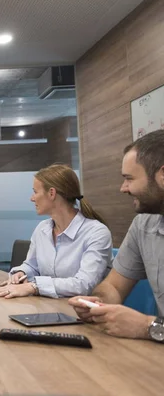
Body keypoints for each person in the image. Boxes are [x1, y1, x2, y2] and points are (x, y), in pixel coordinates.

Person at [69, 130, 164, 342]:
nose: (123, 188)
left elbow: (147, 327)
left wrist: (147, 326)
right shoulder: (143, 225)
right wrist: (97, 304)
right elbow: (113, 285)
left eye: (129, 178)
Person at [0, 164, 112, 299]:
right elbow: (32, 265)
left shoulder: (96, 233)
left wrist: (34, 286)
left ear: (52, 193)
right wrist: (21, 273)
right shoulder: (42, 228)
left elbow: (83, 285)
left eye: (35, 192)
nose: (32, 198)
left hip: (84, 313)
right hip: (50, 306)